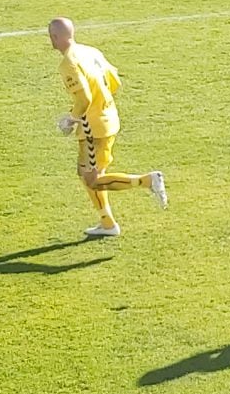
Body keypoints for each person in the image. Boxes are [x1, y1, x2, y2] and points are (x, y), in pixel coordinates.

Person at [48, 18, 167, 237]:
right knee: (87, 174)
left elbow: (84, 98)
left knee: (92, 180)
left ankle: (147, 181)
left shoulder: (68, 63)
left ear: (55, 37)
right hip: (108, 118)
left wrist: (71, 119)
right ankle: (107, 223)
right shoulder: (90, 51)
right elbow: (115, 82)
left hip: (93, 128)